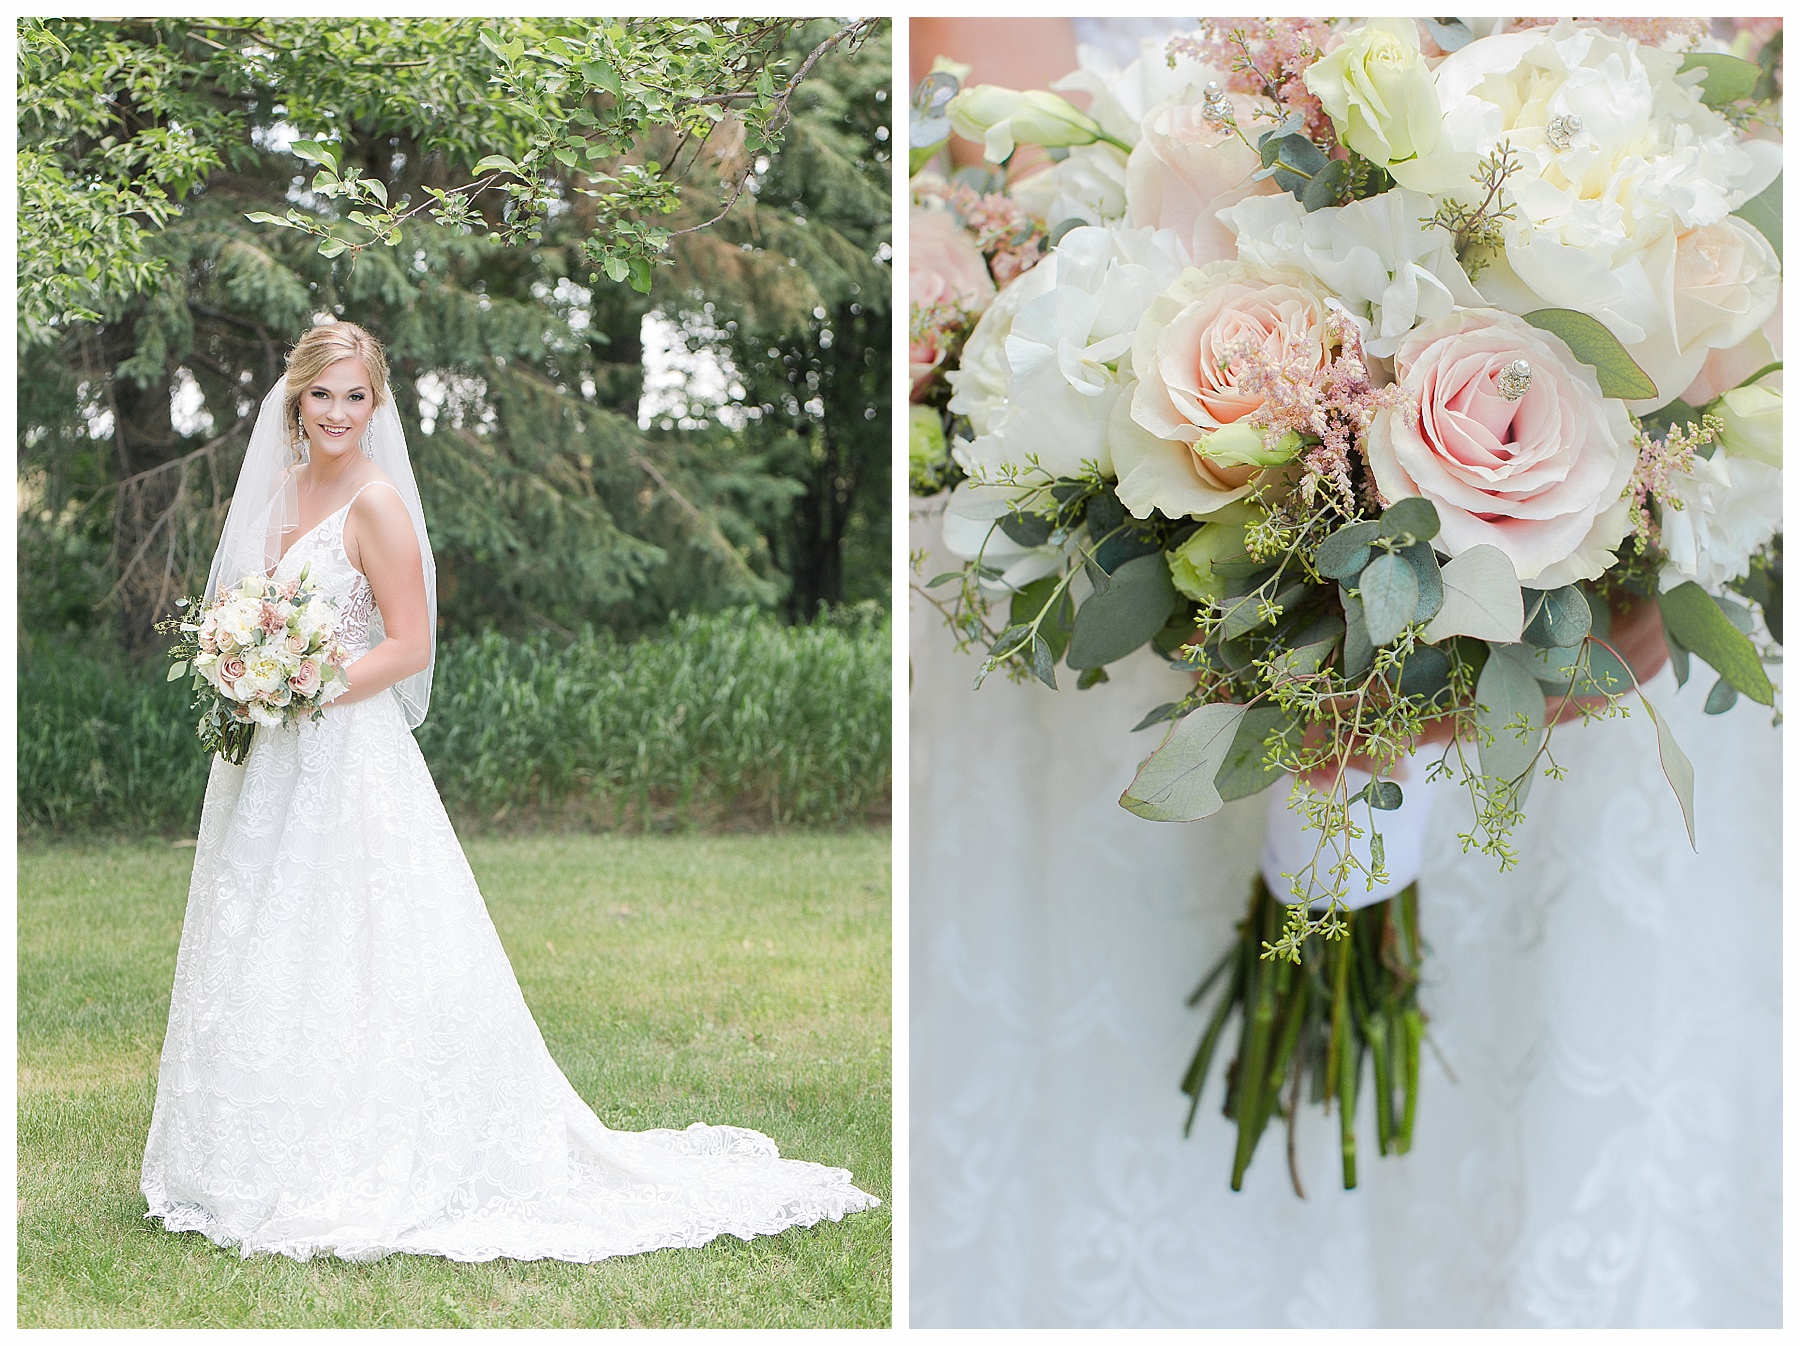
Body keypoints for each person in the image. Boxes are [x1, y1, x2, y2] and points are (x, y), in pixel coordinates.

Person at [908, 17, 1780, 1328]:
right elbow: (995, 158)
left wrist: (1609, 543)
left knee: (1533, 1128)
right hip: (1129, 648)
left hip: (1592, 644)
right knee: (1109, 1111)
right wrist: (1301, 616)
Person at [141, 321, 877, 1263]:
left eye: (355, 396)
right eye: (322, 394)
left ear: (376, 404)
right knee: (265, 931)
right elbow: (244, 613)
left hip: (343, 747)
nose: (337, 412)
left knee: (358, 937)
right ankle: (242, 1152)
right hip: (272, 756)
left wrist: (303, 682)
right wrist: (245, 667)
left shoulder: (376, 503)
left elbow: (408, 646)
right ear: (295, 397)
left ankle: (366, 1150)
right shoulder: (278, 492)